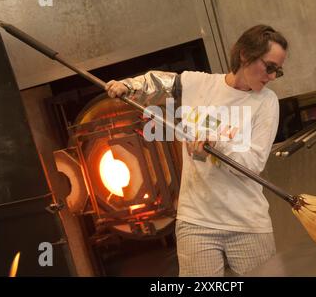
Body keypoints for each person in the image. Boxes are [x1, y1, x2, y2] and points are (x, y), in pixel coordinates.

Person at [106, 25, 288, 276]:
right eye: (269, 67)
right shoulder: (197, 84)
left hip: (246, 223)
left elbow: (254, 165)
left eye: (277, 71)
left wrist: (217, 144)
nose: (271, 76)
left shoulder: (266, 103)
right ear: (245, 55)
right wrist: (129, 86)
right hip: (196, 221)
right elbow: (157, 83)